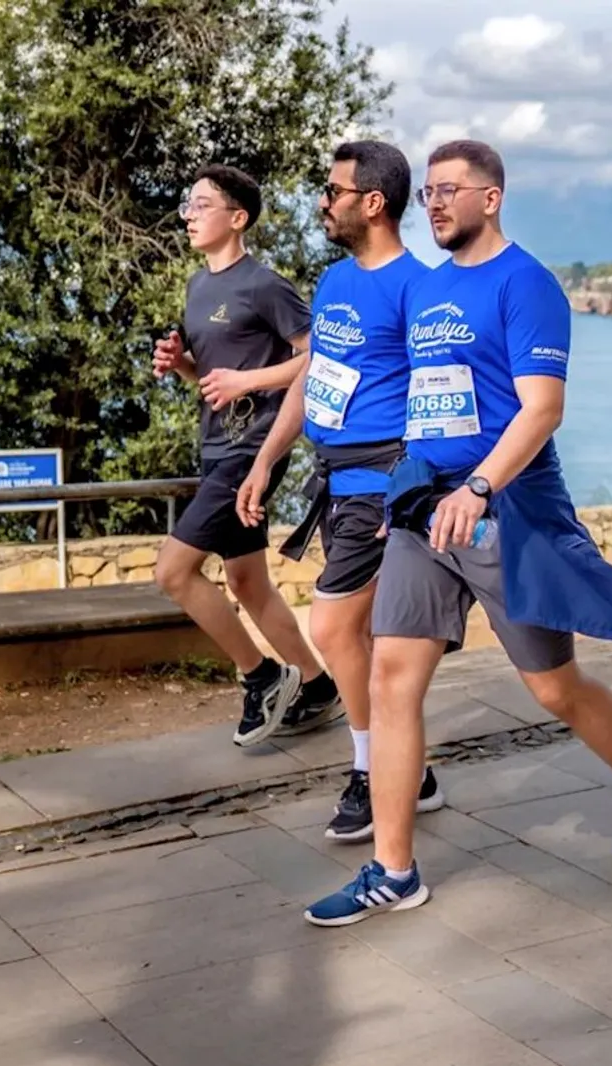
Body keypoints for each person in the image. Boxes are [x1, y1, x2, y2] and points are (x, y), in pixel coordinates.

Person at [305, 139, 612, 926]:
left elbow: (542, 407)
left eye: (450, 190)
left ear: (492, 198)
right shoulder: (425, 289)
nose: (435, 203)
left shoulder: (527, 284)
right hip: (422, 508)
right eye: (428, 193)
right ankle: (395, 869)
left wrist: (480, 486)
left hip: (505, 506)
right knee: (390, 678)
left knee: (553, 687)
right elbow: (397, 391)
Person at [237, 140, 444, 841]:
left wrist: (412, 493)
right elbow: (313, 377)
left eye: (333, 191)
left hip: (383, 488)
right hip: (335, 484)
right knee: (365, 638)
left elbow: (439, 395)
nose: (322, 202)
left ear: (372, 203)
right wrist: (267, 460)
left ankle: (370, 768)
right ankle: (407, 770)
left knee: (330, 626)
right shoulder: (334, 281)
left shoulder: (419, 289)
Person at [153, 164, 335, 749]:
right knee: (246, 578)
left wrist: (249, 383)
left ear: (237, 218)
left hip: (252, 448)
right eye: (188, 204)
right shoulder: (197, 286)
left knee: (173, 573)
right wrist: (180, 365)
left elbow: (317, 359)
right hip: (214, 445)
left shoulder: (264, 285)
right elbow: (212, 378)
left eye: (200, 205)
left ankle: (261, 677)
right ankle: (317, 685)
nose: (188, 214)